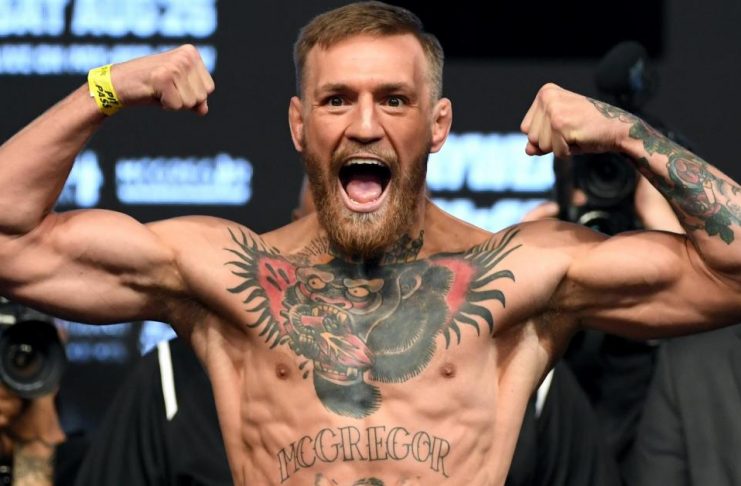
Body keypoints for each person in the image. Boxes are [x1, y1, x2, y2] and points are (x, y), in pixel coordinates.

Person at [1, 2, 741, 484]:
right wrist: (107, 87)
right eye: (336, 100)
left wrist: (624, 132)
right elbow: (12, 239)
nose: (363, 125)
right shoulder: (225, 274)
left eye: (393, 99)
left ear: (438, 125)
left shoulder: (520, 275)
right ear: (299, 126)